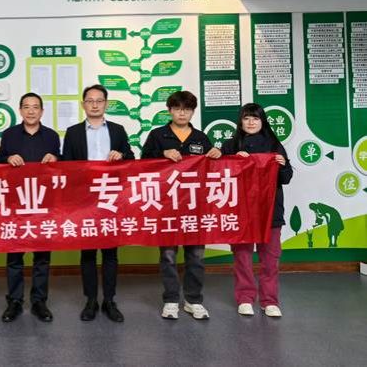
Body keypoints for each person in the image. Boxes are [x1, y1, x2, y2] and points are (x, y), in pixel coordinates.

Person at [141, 90, 221, 320]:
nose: (182, 113)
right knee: (168, 255)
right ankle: (171, 300)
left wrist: (218, 154)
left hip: (195, 206)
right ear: (170, 111)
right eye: (177, 109)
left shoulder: (200, 137)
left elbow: (213, 170)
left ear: (192, 112)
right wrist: (162, 153)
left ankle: (193, 300)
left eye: (186, 109)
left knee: (196, 255)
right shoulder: (158, 135)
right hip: (166, 205)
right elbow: (142, 164)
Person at [62, 84, 135, 322]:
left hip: (111, 199)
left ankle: (110, 300)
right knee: (88, 253)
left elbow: (132, 159)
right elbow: (66, 166)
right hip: (84, 200)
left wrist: (121, 156)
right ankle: (91, 300)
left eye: (99, 100)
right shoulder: (73, 132)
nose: (94, 105)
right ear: (83, 104)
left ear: (106, 104)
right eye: (90, 101)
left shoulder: (117, 130)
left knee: (110, 253)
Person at [222, 103, 292, 318]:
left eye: (255, 118)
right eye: (246, 118)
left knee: (270, 258)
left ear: (263, 121)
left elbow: (286, 178)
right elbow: (220, 177)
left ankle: (269, 300)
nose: (251, 122)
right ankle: (245, 298)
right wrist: (234, 162)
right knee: (242, 257)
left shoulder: (274, 144)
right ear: (240, 121)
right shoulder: (230, 145)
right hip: (241, 210)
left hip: (270, 211)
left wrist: (282, 164)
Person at [0, 92, 60, 323]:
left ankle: (39, 301)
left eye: (35, 107)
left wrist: (56, 159)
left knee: (42, 257)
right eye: (26, 107)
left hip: (44, 204)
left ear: (42, 111)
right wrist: (7, 159)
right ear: (20, 110)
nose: (31, 111)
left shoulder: (51, 136)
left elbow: (64, 166)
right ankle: (14, 301)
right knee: (14, 256)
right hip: (16, 204)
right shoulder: (9, 134)